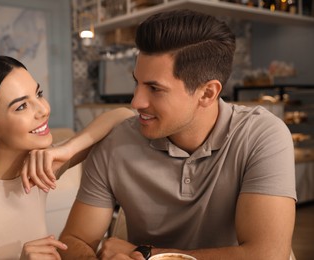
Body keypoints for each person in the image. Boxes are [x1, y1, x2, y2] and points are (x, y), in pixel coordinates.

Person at [48, 9, 295, 260]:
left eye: (155, 88)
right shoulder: (115, 143)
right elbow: (74, 240)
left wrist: (148, 254)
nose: (136, 101)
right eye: (137, 82)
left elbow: (267, 256)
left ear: (207, 93)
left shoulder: (262, 136)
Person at [0, 56, 134, 259]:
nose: (43, 109)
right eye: (21, 106)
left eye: (38, 94)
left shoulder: (37, 171)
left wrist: (67, 149)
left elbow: (124, 116)